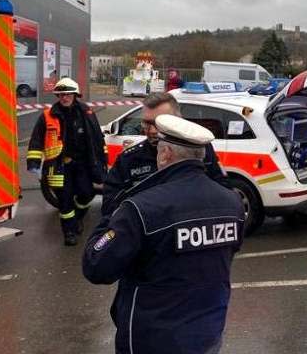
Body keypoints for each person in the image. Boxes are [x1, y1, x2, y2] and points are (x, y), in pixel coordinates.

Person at [83, 115, 245, 354]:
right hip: (208, 331)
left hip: (152, 338)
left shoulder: (140, 207)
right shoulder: (232, 202)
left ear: (166, 153)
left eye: (159, 148)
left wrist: (112, 215)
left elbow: (96, 266)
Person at [102, 92, 228, 216]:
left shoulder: (201, 150)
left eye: (159, 123)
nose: (152, 131)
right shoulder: (129, 159)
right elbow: (109, 208)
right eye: (147, 123)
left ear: (178, 121)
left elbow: (222, 190)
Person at [27, 78, 107, 246]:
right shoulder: (48, 115)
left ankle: (77, 217)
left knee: (87, 193)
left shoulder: (87, 112)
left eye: (68, 94)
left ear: (75, 95)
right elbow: (36, 140)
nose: (64, 98)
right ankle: (69, 232)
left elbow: (97, 138)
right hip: (59, 165)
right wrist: (34, 163)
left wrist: (103, 159)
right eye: (61, 94)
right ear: (58, 96)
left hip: (83, 164)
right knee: (65, 200)